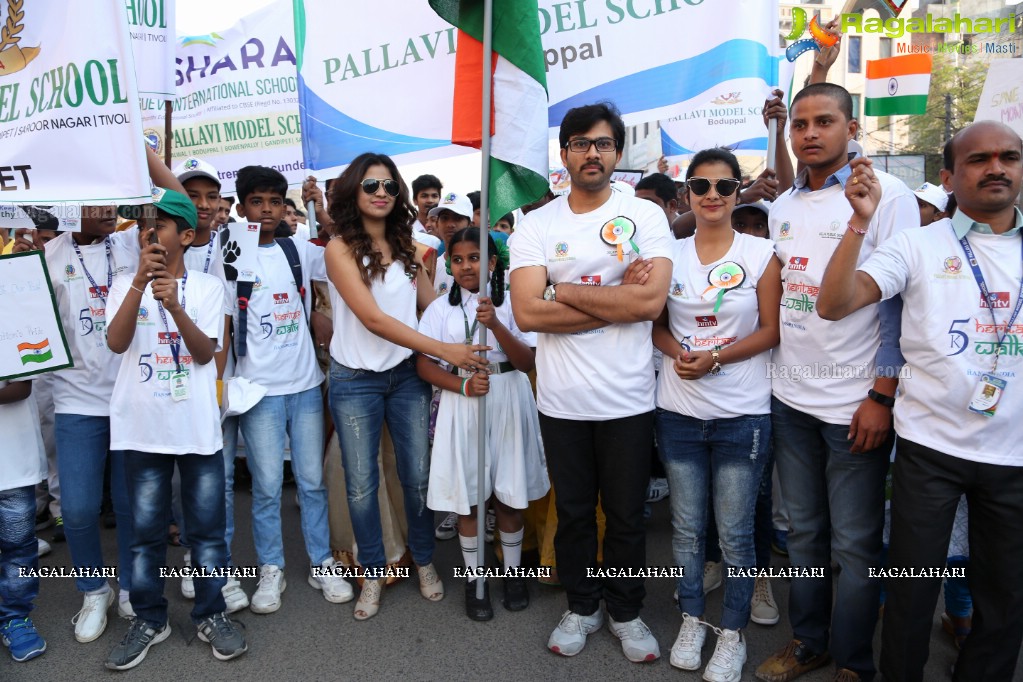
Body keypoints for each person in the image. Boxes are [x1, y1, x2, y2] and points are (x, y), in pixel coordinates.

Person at [816, 120, 1023, 682]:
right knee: (910, 593)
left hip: (1013, 457)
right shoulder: (916, 243)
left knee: (1004, 598)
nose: (996, 168)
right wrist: (859, 222)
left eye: (1009, 157)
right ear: (951, 177)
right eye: (979, 160)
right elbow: (834, 305)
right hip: (929, 450)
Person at [755, 83, 918, 682]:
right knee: (803, 534)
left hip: (855, 403)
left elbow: (899, 305)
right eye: (800, 124)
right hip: (790, 397)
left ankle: (853, 660)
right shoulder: (784, 206)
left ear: (852, 128)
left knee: (854, 544)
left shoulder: (887, 196)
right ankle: (810, 642)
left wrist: (883, 394)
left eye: (825, 121)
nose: (809, 134)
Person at [509, 102, 673, 663]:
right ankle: (582, 605)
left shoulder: (645, 217)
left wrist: (560, 290)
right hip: (562, 402)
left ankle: (626, 611)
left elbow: (650, 302)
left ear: (618, 153)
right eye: (580, 143)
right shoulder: (537, 225)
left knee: (627, 516)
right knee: (575, 514)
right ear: (565, 154)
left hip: (627, 399)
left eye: (602, 144)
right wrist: (614, 299)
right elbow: (527, 315)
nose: (592, 153)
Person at [324, 152, 489, 620]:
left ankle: (422, 560)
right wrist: (448, 352)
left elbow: (432, 305)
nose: (381, 194)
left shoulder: (411, 249)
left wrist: (475, 295)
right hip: (354, 379)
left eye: (389, 186)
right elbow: (374, 319)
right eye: (371, 185)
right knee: (361, 483)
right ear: (354, 191)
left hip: (403, 378)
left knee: (417, 477)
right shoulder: (337, 248)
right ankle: (372, 570)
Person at [104, 188, 246, 669]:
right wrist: (141, 286)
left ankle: (211, 613)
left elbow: (206, 353)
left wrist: (177, 307)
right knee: (144, 534)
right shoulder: (125, 281)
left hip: (196, 429)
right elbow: (117, 342)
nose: (150, 233)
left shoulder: (208, 288)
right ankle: (149, 618)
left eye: (161, 224)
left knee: (205, 534)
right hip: (141, 431)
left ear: (186, 235)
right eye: (144, 225)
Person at [654, 148, 782, 681]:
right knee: (685, 532)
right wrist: (677, 352)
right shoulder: (670, 255)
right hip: (679, 414)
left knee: (734, 535)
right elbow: (654, 323)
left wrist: (716, 358)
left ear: (738, 192)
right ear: (686, 193)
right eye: (701, 186)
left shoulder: (763, 253)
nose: (712, 196)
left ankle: (731, 634)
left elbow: (772, 331)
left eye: (724, 187)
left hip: (742, 416)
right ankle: (691, 618)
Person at [230, 166, 352, 614]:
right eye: (256, 202)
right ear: (242, 207)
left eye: (274, 202)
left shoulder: (296, 246)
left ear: (286, 207)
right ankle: (271, 568)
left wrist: (323, 205)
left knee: (312, 482)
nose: (265, 210)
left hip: (304, 386)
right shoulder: (231, 253)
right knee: (264, 486)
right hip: (257, 391)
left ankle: (321, 562)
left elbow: (342, 249)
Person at [418, 227, 549, 621]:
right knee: (470, 497)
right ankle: (476, 581)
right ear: (448, 266)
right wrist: (460, 383)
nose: (465, 266)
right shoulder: (439, 309)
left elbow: (527, 361)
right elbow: (424, 364)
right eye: (457, 260)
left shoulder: (512, 305)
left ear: (493, 263)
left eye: (475, 257)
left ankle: (512, 574)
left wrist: (495, 324)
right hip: (464, 402)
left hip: (508, 395)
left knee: (509, 493)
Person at [171, 157, 248, 613]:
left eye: (210, 195)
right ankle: (195, 560)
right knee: (187, 479)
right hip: (170, 380)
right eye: (190, 195)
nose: (202, 205)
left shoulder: (232, 243)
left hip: (219, 377)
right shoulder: (163, 245)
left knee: (214, 480)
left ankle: (215, 566)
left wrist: (217, 384)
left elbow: (226, 320)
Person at [0, 379, 48, 662]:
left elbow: (21, 387)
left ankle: (15, 618)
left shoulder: (11, 331)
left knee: (18, 548)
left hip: (11, 456)